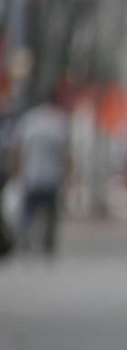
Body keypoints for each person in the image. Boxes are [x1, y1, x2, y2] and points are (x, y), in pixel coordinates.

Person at [9, 94, 72, 256]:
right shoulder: (59, 121)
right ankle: (48, 242)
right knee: (50, 211)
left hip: (32, 174)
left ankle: (25, 236)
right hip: (52, 176)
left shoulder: (29, 120)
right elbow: (65, 154)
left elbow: (18, 148)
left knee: (29, 209)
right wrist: (69, 175)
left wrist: (16, 171)